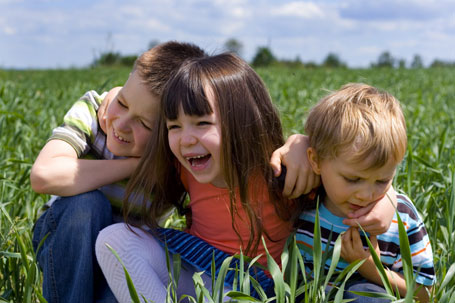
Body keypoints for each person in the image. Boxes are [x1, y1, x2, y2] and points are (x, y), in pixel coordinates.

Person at [95, 55, 398, 302]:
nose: (186, 139)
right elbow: (51, 178)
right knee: (113, 240)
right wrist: (108, 102)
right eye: (175, 126)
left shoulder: (284, 173)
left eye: (202, 123)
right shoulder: (185, 168)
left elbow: (357, 177)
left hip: (251, 286)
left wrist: (386, 201)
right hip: (195, 264)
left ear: (241, 123)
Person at [30, 41, 207, 303]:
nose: (121, 124)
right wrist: (136, 165)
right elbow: (44, 174)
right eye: (122, 103)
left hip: (119, 253)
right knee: (87, 204)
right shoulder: (93, 112)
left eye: (144, 123)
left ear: (172, 131)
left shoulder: (178, 156)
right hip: (66, 242)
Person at [296, 83, 435, 302]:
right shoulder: (302, 202)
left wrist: (372, 269)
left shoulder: (402, 218)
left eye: (382, 181)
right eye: (353, 179)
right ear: (315, 161)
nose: (366, 195)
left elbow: (425, 293)